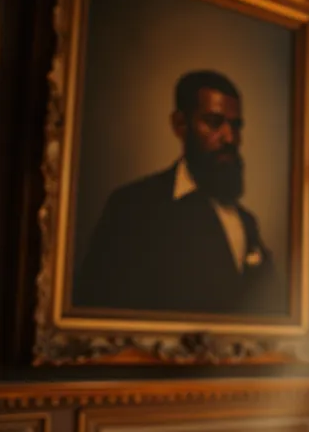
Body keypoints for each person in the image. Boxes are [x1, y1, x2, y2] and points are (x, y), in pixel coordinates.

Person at [74, 70, 284, 316]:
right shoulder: (131, 207)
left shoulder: (247, 222)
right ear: (180, 124)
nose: (230, 138)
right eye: (214, 123)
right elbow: (97, 308)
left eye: (236, 125)